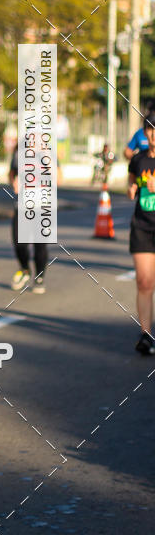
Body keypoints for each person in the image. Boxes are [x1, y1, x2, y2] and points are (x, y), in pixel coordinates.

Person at [127, 112, 155, 355]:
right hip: (142, 225)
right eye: (150, 129)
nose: (154, 134)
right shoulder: (138, 160)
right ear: (145, 133)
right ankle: (146, 335)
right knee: (145, 282)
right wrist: (133, 187)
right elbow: (131, 185)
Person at [9, 145, 48, 294]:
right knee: (18, 241)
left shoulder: (48, 153)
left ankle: (39, 276)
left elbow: (58, 177)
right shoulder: (18, 153)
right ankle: (25, 269)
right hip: (22, 205)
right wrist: (13, 182)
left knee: (40, 245)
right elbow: (12, 173)